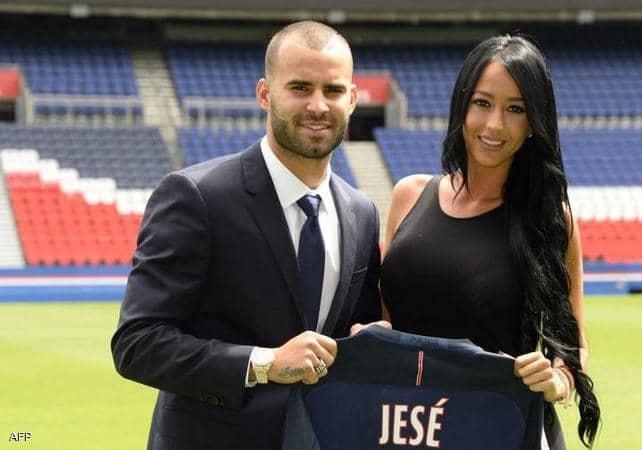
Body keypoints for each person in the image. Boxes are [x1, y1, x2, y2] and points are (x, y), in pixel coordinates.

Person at [111, 21, 384, 450]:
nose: (318, 105)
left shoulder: (361, 212)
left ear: (351, 99)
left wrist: (373, 342)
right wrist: (264, 363)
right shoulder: (197, 196)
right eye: (300, 87)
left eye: (332, 90)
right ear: (265, 93)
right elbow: (137, 344)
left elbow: (349, 338)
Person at [380, 35, 600, 448]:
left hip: (505, 430)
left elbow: (573, 347)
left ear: (534, 122)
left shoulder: (550, 220)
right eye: (482, 103)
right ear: (462, 106)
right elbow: (384, 319)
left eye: (515, 109)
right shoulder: (408, 196)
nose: (495, 124)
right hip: (408, 427)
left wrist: (558, 380)